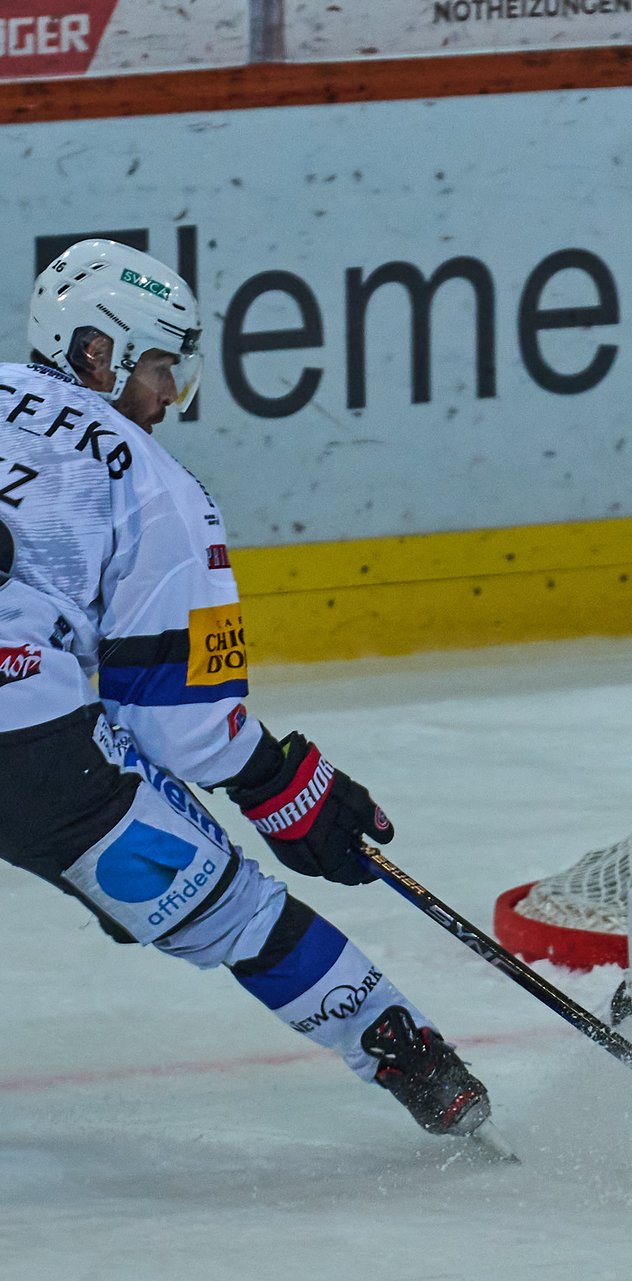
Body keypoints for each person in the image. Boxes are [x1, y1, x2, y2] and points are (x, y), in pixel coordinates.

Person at [0, 240, 495, 1145]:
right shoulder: (153, 483)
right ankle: (421, 1067)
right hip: (25, 744)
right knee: (233, 909)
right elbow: (178, 724)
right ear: (96, 353)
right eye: (158, 367)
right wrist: (284, 783)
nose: (169, 396)